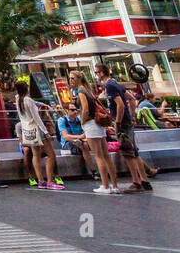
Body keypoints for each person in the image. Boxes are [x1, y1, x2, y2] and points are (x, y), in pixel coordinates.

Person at [96, 64, 149, 192]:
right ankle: (144, 180)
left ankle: (136, 182)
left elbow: (120, 105)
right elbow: (131, 99)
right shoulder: (115, 83)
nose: (96, 75)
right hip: (127, 121)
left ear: (102, 73)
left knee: (127, 153)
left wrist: (118, 121)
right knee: (134, 152)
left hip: (122, 123)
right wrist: (132, 115)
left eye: (97, 72)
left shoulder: (109, 85)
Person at [70, 69, 117, 194]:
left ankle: (106, 186)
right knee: (106, 156)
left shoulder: (80, 91)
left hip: (90, 124)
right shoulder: (88, 90)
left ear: (78, 79)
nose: (70, 81)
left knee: (99, 156)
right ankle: (114, 185)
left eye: (72, 78)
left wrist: (83, 121)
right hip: (98, 124)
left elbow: (84, 109)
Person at [15, 81, 60, 191]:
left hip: (27, 130)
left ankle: (40, 181)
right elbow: (37, 118)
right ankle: (49, 181)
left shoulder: (18, 99)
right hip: (37, 129)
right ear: (27, 88)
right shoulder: (28, 100)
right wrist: (46, 132)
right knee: (51, 155)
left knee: (35, 155)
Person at [56, 103, 96, 180]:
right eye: (72, 110)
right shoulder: (61, 120)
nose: (75, 112)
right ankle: (93, 171)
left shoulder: (79, 120)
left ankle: (95, 170)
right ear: (66, 110)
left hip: (81, 142)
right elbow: (66, 136)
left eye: (76, 110)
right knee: (84, 145)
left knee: (86, 143)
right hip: (68, 144)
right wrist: (80, 137)